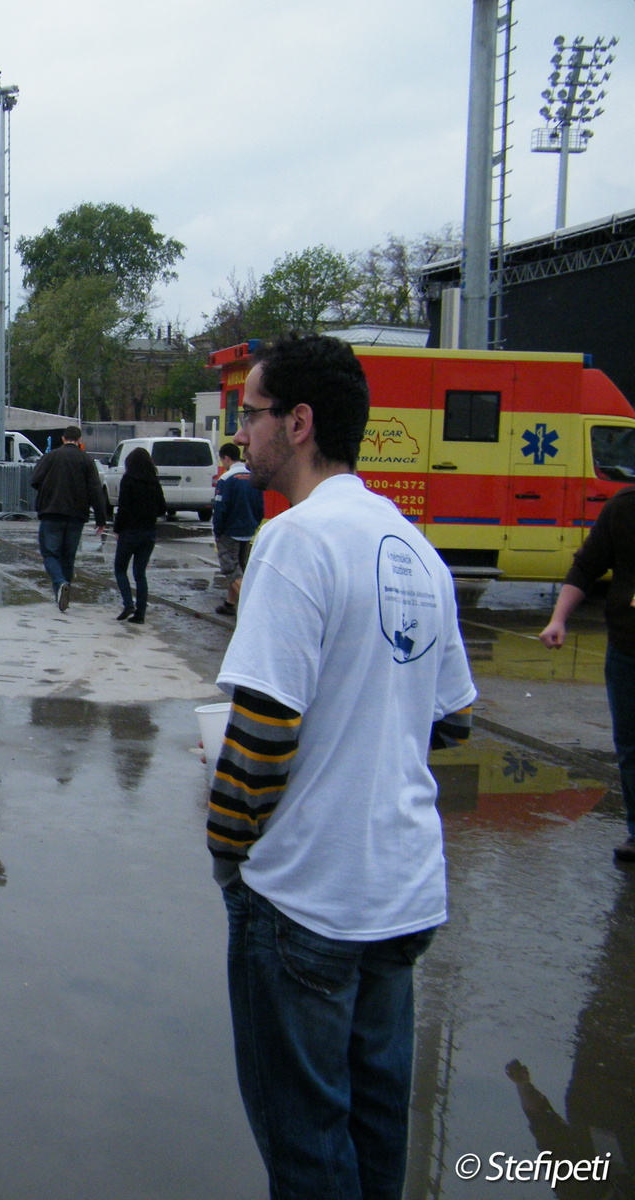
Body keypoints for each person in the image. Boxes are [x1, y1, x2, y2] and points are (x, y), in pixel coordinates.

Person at [206, 333, 476, 1200]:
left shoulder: (297, 542)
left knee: (308, 1146)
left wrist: (230, 853)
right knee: (374, 1129)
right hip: (400, 895)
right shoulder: (412, 548)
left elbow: (264, 732)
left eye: (251, 414)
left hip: (307, 900)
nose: (242, 433)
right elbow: (453, 717)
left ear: (300, 421)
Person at [538, 485, 635, 864]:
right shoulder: (623, 508)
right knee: (630, 745)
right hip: (627, 648)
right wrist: (558, 618)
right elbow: (587, 565)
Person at [30, 424, 108, 611]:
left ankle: (60, 584)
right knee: (68, 556)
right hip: (76, 515)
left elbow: (35, 480)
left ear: (63, 439)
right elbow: (96, 490)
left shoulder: (50, 457)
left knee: (50, 553)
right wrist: (101, 519)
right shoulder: (87, 460)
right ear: (80, 440)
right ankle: (63, 593)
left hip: (52, 512)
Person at [111, 447, 166, 623]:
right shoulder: (153, 481)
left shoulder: (128, 480)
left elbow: (123, 507)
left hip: (130, 531)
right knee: (139, 573)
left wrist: (118, 529)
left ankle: (128, 603)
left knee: (120, 569)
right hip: (149, 532)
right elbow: (162, 508)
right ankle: (140, 614)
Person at [211, 442, 263, 617]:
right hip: (247, 531)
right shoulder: (253, 477)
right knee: (241, 568)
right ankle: (229, 603)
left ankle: (255, 610)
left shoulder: (226, 479)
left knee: (232, 571)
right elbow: (260, 507)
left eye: (222, 460)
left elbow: (220, 509)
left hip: (229, 532)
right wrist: (254, 524)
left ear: (226, 458)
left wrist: (217, 532)